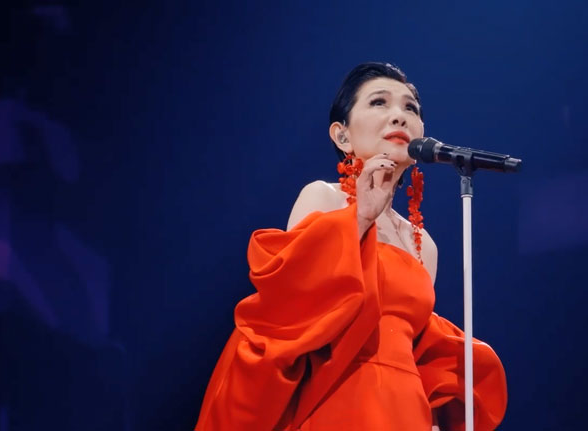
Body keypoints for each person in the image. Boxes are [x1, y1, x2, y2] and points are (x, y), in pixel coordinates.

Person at [194, 62, 507, 431]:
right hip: (337, 398)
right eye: (379, 102)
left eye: (410, 108)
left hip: (404, 409)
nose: (399, 116)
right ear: (342, 136)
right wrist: (360, 219)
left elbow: (416, 345)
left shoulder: (424, 244)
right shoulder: (323, 198)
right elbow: (290, 305)